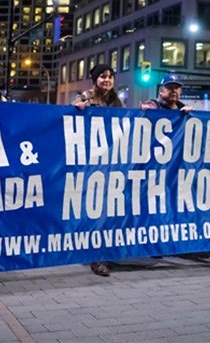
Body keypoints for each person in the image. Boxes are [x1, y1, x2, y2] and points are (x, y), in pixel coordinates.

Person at [73, 63, 122, 276]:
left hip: (113, 163)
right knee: (96, 211)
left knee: (109, 211)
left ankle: (105, 251)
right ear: (95, 79)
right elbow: (71, 114)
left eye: (110, 76)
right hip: (91, 164)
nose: (107, 80)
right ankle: (96, 257)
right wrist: (77, 108)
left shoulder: (117, 101)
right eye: (103, 76)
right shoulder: (85, 97)